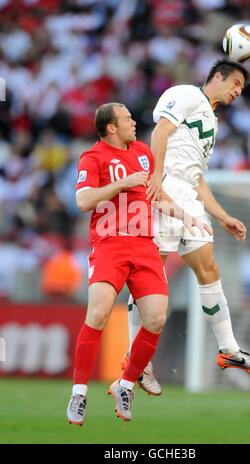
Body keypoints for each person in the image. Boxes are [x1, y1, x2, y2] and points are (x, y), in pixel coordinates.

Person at [124, 60, 250, 395]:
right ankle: (137, 358)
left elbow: (198, 177)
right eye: (234, 83)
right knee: (151, 276)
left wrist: (222, 216)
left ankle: (229, 348)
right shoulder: (186, 94)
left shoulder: (212, 122)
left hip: (188, 196)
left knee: (210, 269)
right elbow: (160, 130)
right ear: (216, 77)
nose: (236, 92)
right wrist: (157, 178)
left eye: (241, 89)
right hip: (165, 189)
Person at [66, 102, 209, 425]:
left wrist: (189, 217)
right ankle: (79, 393)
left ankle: (126, 384)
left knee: (157, 318)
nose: (134, 121)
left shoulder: (144, 152)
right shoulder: (93, 158)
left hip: (145, 245)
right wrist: (122, 183)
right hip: (109, 243)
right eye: (127, 118)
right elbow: (82, 201)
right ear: (111, 128)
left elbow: (156, 194)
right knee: (99, 313)